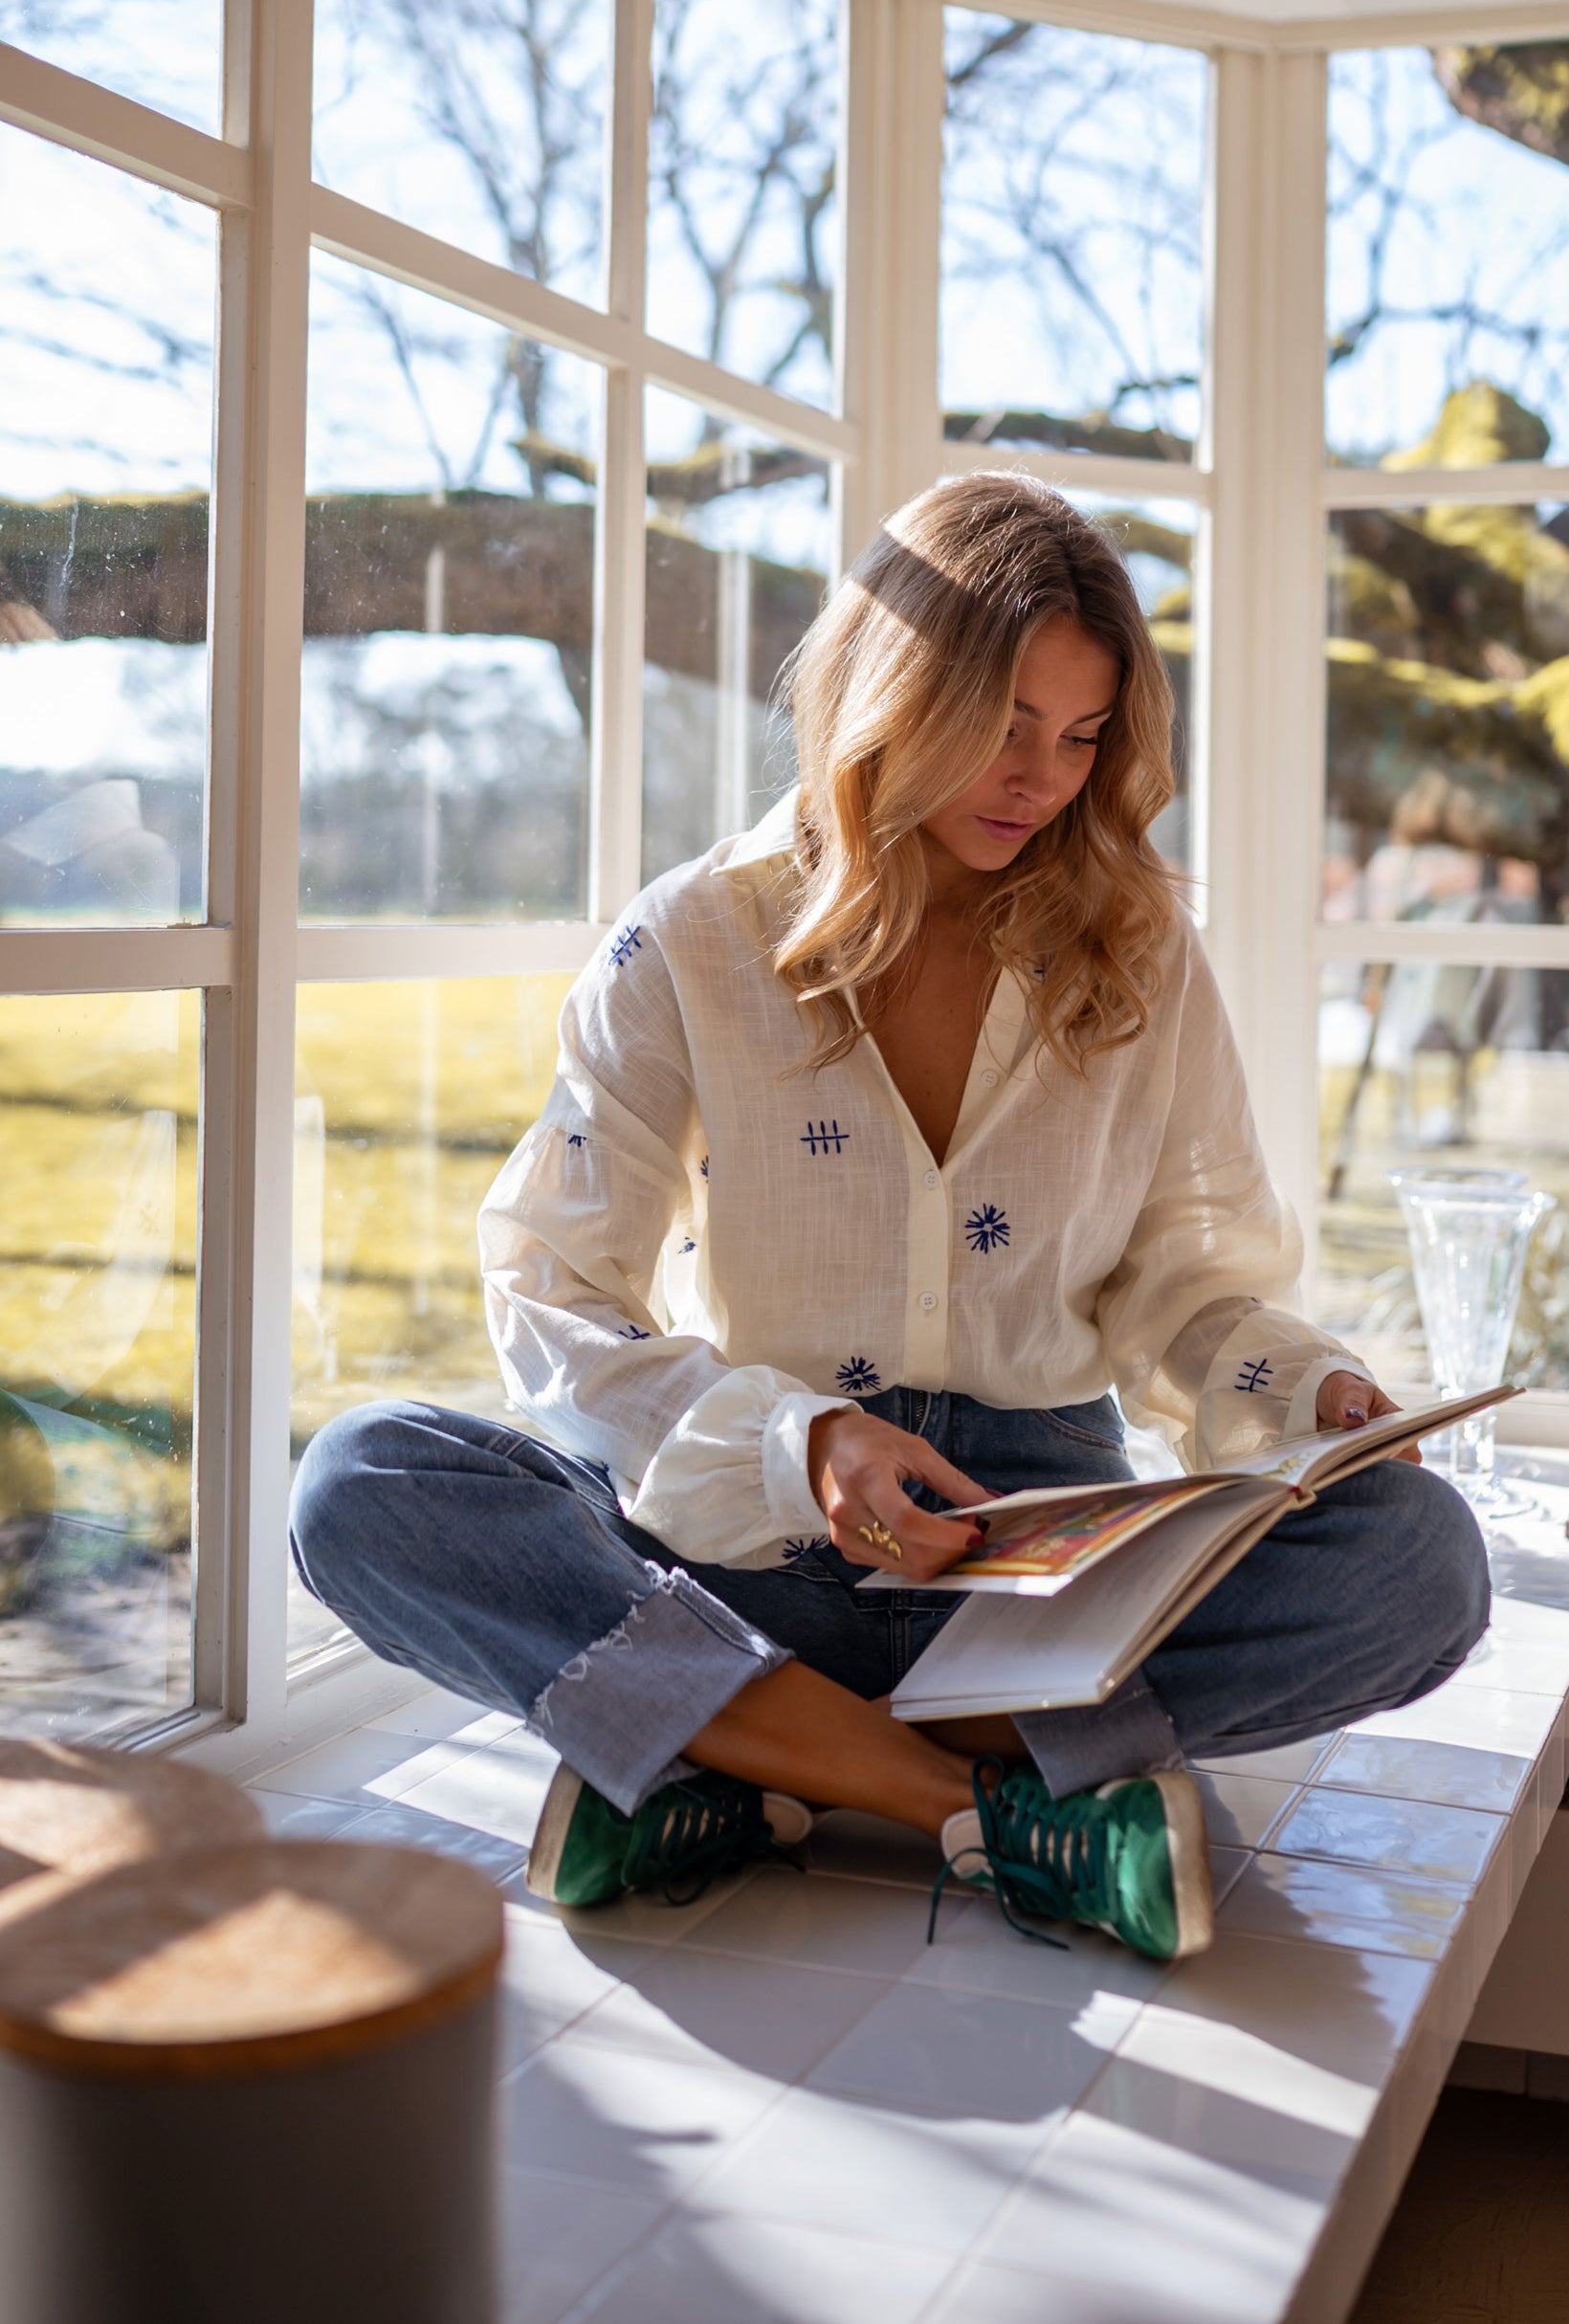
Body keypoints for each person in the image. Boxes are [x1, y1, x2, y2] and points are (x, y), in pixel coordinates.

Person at [291, 475, 1489, 1963]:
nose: (1040, 777)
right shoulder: (691, 937)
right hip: (749, 1551)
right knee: (363, 1480)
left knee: (1421, 1559)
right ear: (888, 689)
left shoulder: (1137, 951)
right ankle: (969, 1806)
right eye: (1002, 725)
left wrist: (1304, 1393)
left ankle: (729, 1752)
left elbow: (1183, 1287)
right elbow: (553, 1286)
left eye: (1082, 735)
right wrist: (802, 1441)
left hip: (1040, 1581)